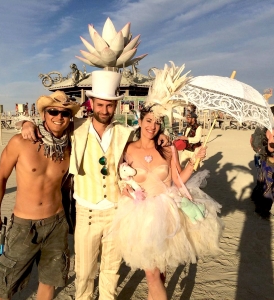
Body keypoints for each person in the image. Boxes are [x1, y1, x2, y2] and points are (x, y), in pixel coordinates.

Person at [19, 70, 170, 299]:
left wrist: (162, 137)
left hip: (116, 211)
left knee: (111, 271)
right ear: (92, 104)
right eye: (100, 105)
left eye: (109, 106)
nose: (105, 110)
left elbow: (145, 142)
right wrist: (26, 122)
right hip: (86, 212)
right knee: (84, 272)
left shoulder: (124, 133)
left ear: (116, 107)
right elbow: (52, 124)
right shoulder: (75, 127)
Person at [112, 107, 222, 299]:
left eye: (157, 122)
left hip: (166, 214)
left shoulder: (168, 149)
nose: (152, 126)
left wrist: (194, 161)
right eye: (148, 120)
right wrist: (123, 187)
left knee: (157, 274)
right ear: (140, 121)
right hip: (139, 217)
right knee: (153, 274)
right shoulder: (127, 148)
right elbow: (117, 175)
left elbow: (178, 181)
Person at [0, 91, 80, 300]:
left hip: (57, 223)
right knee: (6, 284)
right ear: (44, 114)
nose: (59, 117)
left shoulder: (69, 145)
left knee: (50, 280)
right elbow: (0, 178)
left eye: (65, 113)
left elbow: (101, 123)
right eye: (53, 112)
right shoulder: (21, 142)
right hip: (24, 225)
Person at [251, 105, 274, 222]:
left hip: (265, 161)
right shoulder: (273, 130)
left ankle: (258, 208)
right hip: (272, 163)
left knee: (262, 184)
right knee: (270, 189)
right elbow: (271, 148)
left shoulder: (267, 127)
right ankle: (263, 212)